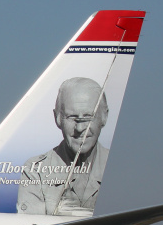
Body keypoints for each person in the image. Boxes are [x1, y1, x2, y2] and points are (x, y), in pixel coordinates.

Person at [16, 77, 110, 216]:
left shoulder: (118, 168)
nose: (80, 128)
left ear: (104, 117)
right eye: (72, 117)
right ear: (58, 118)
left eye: (88, 117)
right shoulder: (36, 171)